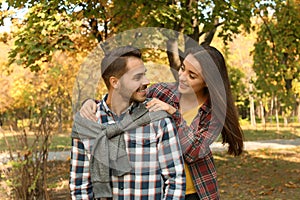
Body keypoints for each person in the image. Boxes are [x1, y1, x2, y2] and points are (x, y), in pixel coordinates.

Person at [81, 45, 244, 199]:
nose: (182, 77)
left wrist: (173, 113)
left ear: (208, 82)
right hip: (162, 189)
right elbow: (124, 98)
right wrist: (92, 103)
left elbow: (192, 152)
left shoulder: (213, 113)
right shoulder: (162, 91)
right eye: (182, 68)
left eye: (192, 75)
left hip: (194, 191)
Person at [70, 46, 186, 199]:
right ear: (115, 82)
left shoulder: (158, 119)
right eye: (137, 77)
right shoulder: (88, 123)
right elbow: (80, 187)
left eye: (144, 75)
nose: (146, 81)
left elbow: (175, 181)